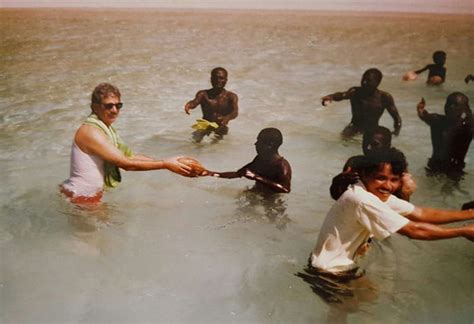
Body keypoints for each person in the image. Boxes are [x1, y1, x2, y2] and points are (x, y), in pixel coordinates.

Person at [298, 148, 474, 302]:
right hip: (329, 273)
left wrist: (469, 214)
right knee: (361, 311)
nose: (388, 186)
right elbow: (414, 230)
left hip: (336, 268)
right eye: (381, 178)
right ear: (365, 174)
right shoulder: (362, 199)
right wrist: (463, 231)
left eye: (394, 179)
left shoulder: (373, 193)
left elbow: (421, 213)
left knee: (368, 300)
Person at [61, 83, 200, 204]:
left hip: (86, 196)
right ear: (95, 107)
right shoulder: (91, 132)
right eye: (109, 106)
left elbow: (130, 157)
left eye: (118, 105)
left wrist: (172, 163)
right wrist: (165, 164)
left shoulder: (104, 129)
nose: (114, 110)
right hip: (81, 198)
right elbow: (126, 164)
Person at [330, 126, 416, 201]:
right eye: (365, 143)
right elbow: (339, 197)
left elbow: (402, 202)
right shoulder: (355, 163)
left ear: (388, 145)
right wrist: (338, 182)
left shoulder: (394, 165)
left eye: (375, 144)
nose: (368, 147)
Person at [321, 68, 402, 138]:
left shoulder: (384, 97)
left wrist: (395, 133)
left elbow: (397, 119)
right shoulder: (355, 92)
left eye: (368, 80)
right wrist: (331, 97)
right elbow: (342, 95)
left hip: (372, 130)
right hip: (353, 128)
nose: (364, 82)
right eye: (363, 79)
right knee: (342, 144)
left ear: (377, 83)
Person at [207, 128, 291, 193]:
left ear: (270, 144)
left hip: (273, 200)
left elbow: (285, 189)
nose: (256, 144)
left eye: (259, 141)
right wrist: (210, 173)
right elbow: (239, 173)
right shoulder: (260, 159)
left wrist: (256, 177)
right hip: (258, 194)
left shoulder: (282, 165)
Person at [417, 92, 473, 178]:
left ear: (464, 109)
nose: (450, 107)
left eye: (455, 105)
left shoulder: (468, 127)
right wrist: (420, 110)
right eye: (448, 104)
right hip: (435, 166)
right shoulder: (436, 120)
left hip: (455, 168)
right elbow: (424, 116)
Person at [184, 67, 239, 142]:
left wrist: (227, 118)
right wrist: (188, 105)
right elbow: (194, 102)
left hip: (221, 127)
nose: (218, 81)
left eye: (221, 78)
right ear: (211, 79)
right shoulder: (203, 94)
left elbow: (235, 112)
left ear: (226, 80)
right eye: (215, 78)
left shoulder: (231, 96)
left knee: (217, 148)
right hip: (204, 125)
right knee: (194, 143)